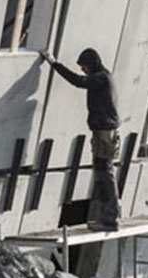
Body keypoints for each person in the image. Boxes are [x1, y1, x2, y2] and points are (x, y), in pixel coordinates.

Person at [46, 46, 121, 229]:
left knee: (105, 175)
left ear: (92, 64)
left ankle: (111, 219)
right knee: (103, 174)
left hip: (105, 133)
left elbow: (78, 81)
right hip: (103, 133)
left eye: (84, 66)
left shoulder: (101, 78)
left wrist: (54, 63)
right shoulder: (103, 76)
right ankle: (109, 217)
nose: (83, 70)